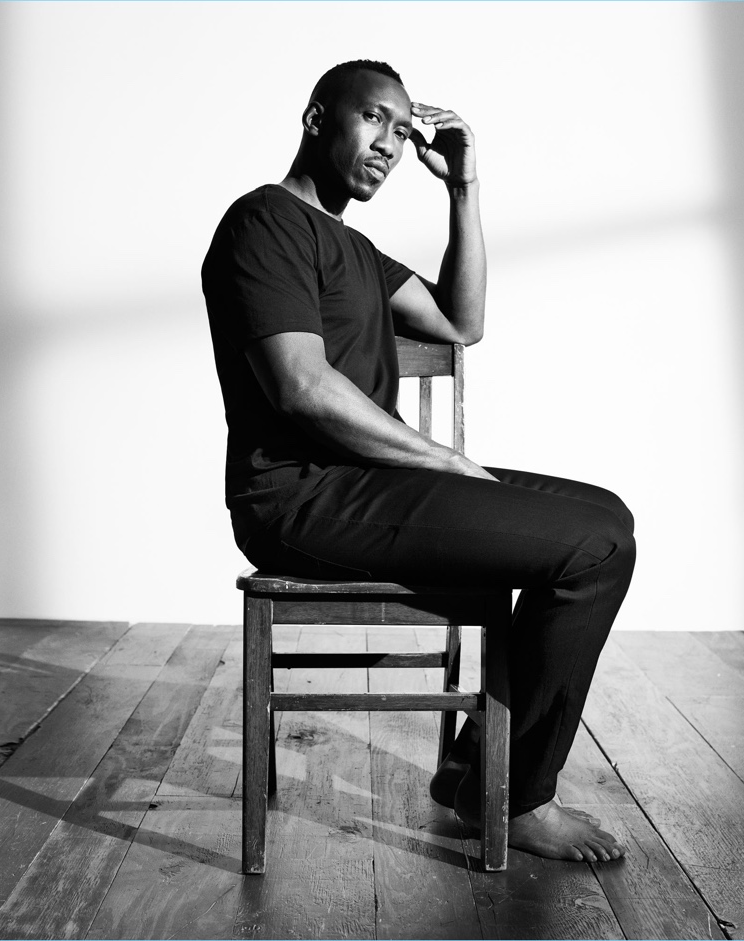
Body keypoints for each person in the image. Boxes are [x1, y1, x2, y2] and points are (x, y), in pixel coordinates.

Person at [202, 59, 635, 864]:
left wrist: (463, 189)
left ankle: (476, 770)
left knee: (607, 517)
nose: (390, 145)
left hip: (371, 488)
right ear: (317, 117)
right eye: (374, 119)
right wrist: (445, 462)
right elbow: (302, 388)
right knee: (595, 547)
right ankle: (516, 796)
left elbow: (462, 322)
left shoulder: (358, 249)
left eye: (403, 131)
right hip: (301, 499)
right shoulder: (264, 223)